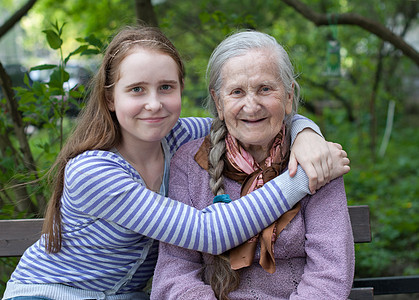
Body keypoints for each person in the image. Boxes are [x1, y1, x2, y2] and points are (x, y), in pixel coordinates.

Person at [3, 26, 349, 300]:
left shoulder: (183, 136)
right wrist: (301, 179)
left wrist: (307, 133)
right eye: (136, 89)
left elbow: (259, 118)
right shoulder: (95, 172)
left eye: (166, 87)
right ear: (110, 97)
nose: (154, 104)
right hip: (56, 294)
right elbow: (207, 236)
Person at [151, 30, 354, 300]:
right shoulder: (189, 164)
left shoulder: (315, 159)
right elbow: (175, 274)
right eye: (237, 92)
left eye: (265, 89)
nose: (251, 105)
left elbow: (330, 272)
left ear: (289, 96)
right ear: (218, 102)